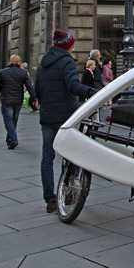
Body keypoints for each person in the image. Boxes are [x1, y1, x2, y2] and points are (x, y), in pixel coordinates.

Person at [35, 30, 95, 213]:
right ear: (68, 46)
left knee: (47, 156)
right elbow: (72, 85)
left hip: (47, 116)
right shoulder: (67, 61)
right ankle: (69, 191)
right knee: (72, 154)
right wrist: (90, 92)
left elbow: (37, 90)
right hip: (65, 117)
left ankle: (50, 199)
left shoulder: (43, 63)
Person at [0, 55, 37, 149]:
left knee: (8, 120)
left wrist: (2, 90)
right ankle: (10, 140)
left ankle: (13, 139)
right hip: (18, 100)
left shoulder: (3, 72)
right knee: (14, 120)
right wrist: (34, 99)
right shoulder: (23, 73)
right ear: (18, 62)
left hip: (6, 99)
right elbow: (29, 87)